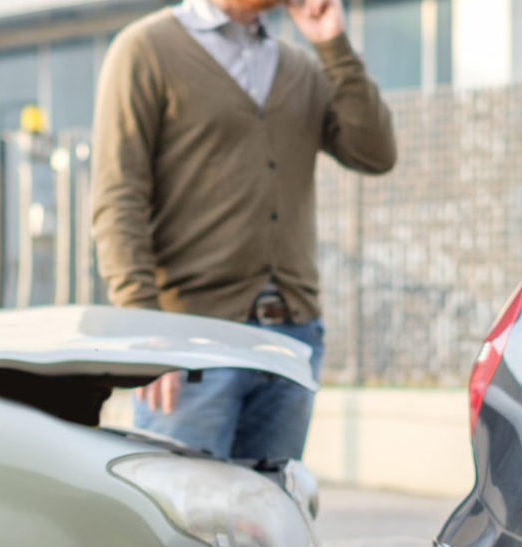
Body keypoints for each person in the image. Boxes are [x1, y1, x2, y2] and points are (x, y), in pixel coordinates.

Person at [90, 0, 394, 462]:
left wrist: (333, 45)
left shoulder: (300, 66)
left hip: (291, 338)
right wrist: (145, 331)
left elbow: (375, 152)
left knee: (265, 521)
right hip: (189, 340)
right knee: (183, 518)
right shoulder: (146, 49)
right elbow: (117, 200)